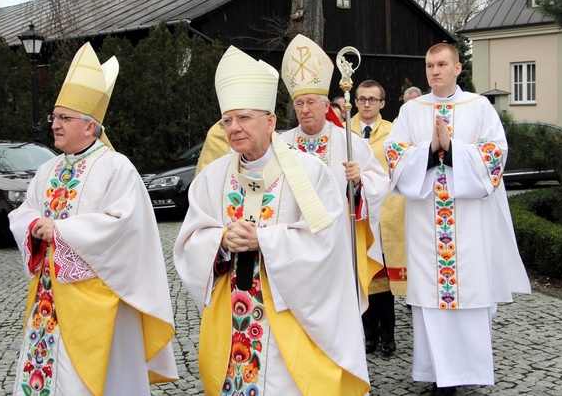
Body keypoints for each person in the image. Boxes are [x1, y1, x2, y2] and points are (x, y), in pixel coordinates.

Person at [174, 46, 370, 395]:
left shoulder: (309, 173)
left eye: (244, 118)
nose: (233, 128)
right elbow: (190, 237)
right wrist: (219, 240)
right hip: (232, 310)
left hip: (286, 313)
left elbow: (326, 241)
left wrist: (262, 240)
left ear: (270, 121)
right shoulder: (213, 176)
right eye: (227, 120)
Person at [8, 42, 178, 395]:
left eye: (63, 118)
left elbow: (124, 227)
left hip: (101, 303)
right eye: (54, 117)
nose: (54, 124)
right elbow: (25, 211)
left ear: (90, 127)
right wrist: (31, 226)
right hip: (48, 296)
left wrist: (61, 229)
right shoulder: (47, 169)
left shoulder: (116, 168)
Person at [383, 43, 531, 395]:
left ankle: (467, 371)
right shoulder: (412, 110)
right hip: (425, 227)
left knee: (470, 295)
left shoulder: (478, 107)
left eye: (441, 64)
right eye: (430, 65)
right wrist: (429, 150)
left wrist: (453, 148)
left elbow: (495, 155)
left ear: (457, 68)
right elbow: (394, 154)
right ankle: (437, 375)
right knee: (431, 302)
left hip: (468, 224)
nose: (434, 71)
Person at [279, 34, 388, 313]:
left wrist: (359, 181)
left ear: (326, 106)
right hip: (296, 238)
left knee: (340, 305)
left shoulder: (349, 142)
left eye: (311, 103)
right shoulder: (281, 144)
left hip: (340, 237)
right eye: (299, 104)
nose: (304, 110)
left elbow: (380, 182)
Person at [349, 79, 406, 357]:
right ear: (355, 102)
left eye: (372, 99)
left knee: (383, 280)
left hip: (385, 214)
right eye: (362, 99)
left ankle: (388, 336)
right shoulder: (344, 132)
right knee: (362, 277)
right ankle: (367, 335)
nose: (367, 104)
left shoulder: (393, 132)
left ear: (382, 103)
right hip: (356, 214)